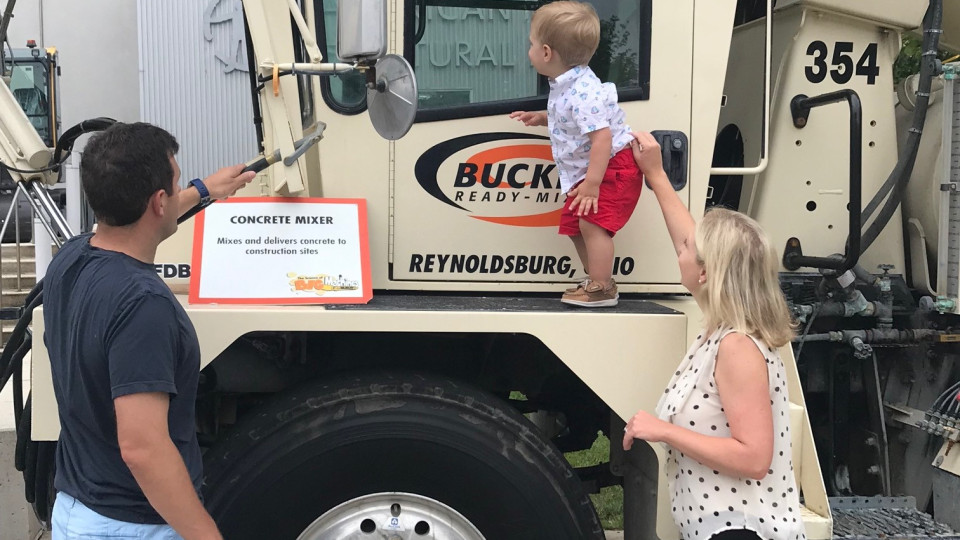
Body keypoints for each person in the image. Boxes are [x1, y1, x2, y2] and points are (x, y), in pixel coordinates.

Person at [45, 122, 255, 540]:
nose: (180, 192)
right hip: (131, 527)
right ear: (159, 201)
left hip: (75, 509)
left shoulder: (69, 260)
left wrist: (205, 189)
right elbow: (142, 448)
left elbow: (151, 211)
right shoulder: (143, 304)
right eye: (175, 185)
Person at [622, 132, 806, 540]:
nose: (680, 251)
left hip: (740, 532)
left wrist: (663, 430)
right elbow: (689, 238)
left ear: (705, 273)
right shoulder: (722, 330)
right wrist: (656, 175)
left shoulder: (737, 347)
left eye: (688, 249)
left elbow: (755, 457)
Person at [509, 0, 643, 307]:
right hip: (596, 168)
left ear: (546, 52)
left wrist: (593, 183)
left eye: (531, 44)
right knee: (575, 224)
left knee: (591, 223)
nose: (528, 51)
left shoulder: (584, 92)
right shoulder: (567, 86)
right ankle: (596, 279)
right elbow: (574, 122)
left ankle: (602, 286)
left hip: (611, 166)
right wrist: (543, 118)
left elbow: (602, 137)